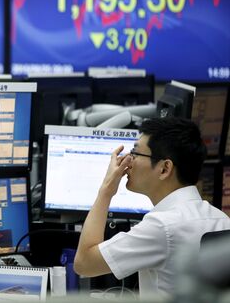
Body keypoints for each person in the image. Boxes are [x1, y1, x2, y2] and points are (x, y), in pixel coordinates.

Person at [73, 117, 230, 299]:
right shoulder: (222, 219)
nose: (128, 161)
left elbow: (84, 263)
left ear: (164, 168)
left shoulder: (162, 226)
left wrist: (106, 190)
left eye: (135, 153)